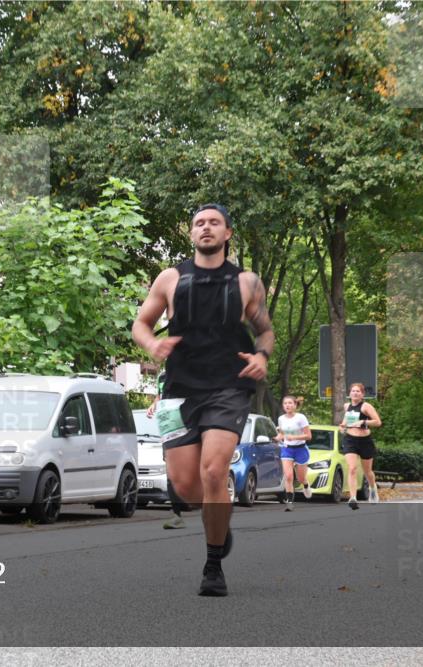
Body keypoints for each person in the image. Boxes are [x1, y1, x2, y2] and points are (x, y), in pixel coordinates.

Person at [133, 203, 273, 597]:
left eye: (214, 223)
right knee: (187, 488)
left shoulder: (247, 282)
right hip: (177, 391)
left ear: (227, 233)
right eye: (198, 223)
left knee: (215, 472)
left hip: (229, 386)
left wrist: (262, 356)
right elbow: (140, 324)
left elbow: (265, 332)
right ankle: (217, 524)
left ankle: (213, 566)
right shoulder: (170, 278)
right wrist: (152, 344)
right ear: (191, 234)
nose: (205, 228)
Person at [147, 372, 188, 529]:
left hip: (186, 426)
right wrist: (154, 404)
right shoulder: (162, 377)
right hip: (168, 429)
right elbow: (160, 396)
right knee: (171, 471)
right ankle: (176, 514)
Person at [338, 382, 382, 509]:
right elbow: (346, 422)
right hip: (350, 440)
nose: (355, 393)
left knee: (367, 471)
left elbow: (378, 422)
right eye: (353, 391)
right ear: (349, 393)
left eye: (358, 391)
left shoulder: (366, 406)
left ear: (362, 394)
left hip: (365, 441)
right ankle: (353, 497)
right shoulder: (347, 406)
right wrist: (343, 427)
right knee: (352, 468)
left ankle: (372, 488)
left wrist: (363, 422)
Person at [275, 395, 312, 511]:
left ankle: (306, 485)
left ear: (295, 405)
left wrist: (294, 437)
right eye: (285, 403)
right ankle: (289, 502)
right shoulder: (281, 419)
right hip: (287, 449)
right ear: (283, 406)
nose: (288, 405)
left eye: (290, 403)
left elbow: (309, 436)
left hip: (300, 449)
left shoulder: (301, 418)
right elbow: (282, 434)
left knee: (301, 478)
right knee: (289, 476)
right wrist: (277, 437)